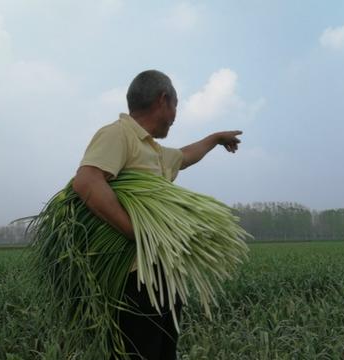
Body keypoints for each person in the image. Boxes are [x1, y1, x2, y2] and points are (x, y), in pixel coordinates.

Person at [72, 70, 243, 359]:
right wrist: (139, 233)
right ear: (163, 100)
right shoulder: (118, 134)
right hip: (132, 282)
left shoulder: (152, 149)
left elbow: (185, 156)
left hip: (162, 277)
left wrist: (214, 139)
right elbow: (87, 181)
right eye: (176, 106)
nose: (175, 116)